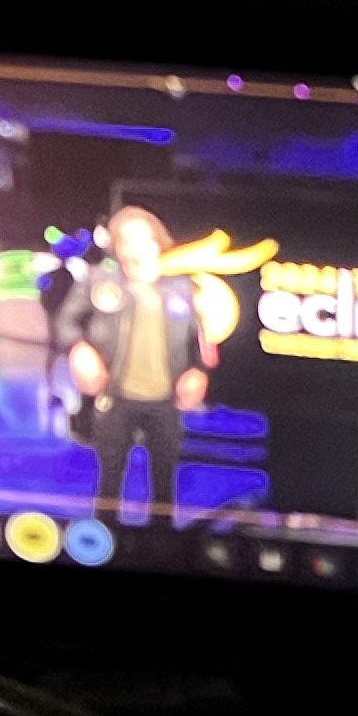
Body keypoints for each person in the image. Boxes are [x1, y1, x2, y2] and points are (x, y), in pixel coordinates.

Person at [60, 203, 211, 527]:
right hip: (115, 400)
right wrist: (79, 348)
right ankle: (104, 540)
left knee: (164, 482)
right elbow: (66, 322)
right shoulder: (99, 282)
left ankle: (161, 545)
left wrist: (199, 371)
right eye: (125, 241)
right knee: (110, 477)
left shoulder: (181, 288)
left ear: (158, 242)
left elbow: (199, 341)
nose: (133, 249)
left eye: (141, 239)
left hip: (164, 403)